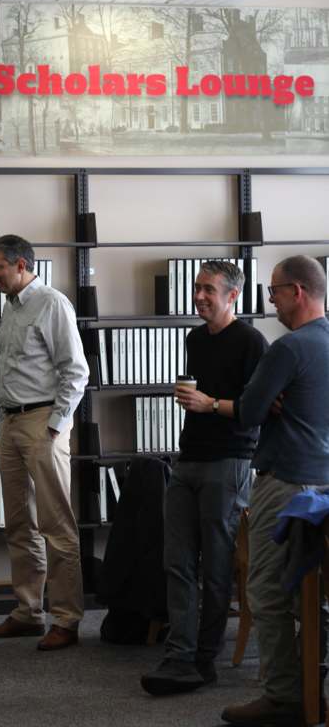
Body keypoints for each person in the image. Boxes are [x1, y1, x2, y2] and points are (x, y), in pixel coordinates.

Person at [141, 260, 268, 695]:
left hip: (228, 461)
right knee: (176, 562)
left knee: (216, 567)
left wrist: (210, 404)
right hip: (188, 458)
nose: (199, 297)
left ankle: (202, 659)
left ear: (232, 295)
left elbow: (258, 409)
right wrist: (196, 403)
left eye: (208, 290)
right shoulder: (194, 338)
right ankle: (179, 653)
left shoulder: (252, 341)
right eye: (197, 288)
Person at [219, 255, 329, 726]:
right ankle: (311, 688)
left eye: (275, 292)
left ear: (298, 292)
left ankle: (285, 696)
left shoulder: (288, 349)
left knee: (265, 590)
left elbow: (247, 411)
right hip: (323, 481)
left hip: (285, 482)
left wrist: (263, 399)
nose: (271, 302)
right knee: (315, 593)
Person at [0, 235, 89, 651]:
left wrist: (55, 428)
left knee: (56, 524)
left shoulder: (52, 304)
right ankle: (29, 612)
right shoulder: (11, 308)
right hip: (11, 424)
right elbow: (12, 372)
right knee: (18, 524)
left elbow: (75, 372)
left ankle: (67, 618)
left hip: (43, 423)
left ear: (21, 264)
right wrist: (3, 428)